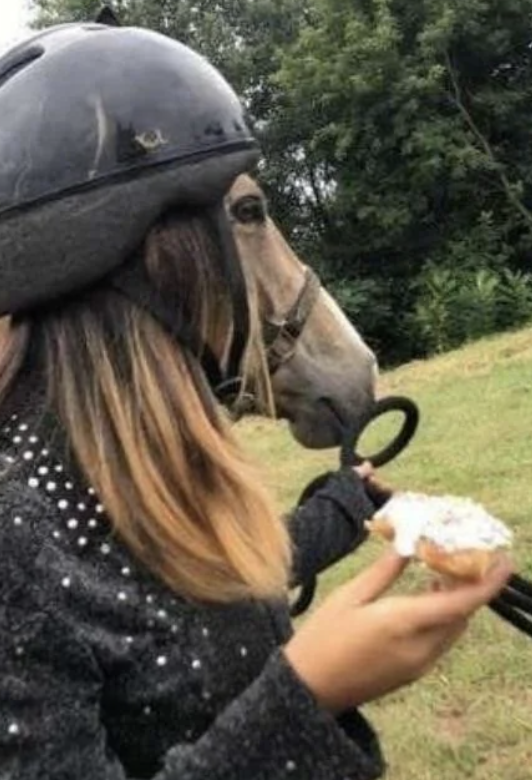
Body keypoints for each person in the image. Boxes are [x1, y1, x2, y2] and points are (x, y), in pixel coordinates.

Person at [0, 21, 511, 780]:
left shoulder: (121, 470)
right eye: (241, 219)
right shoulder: (13, 547)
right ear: (159, 260)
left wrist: (341, 508)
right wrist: (309, 691)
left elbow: (173, 588)